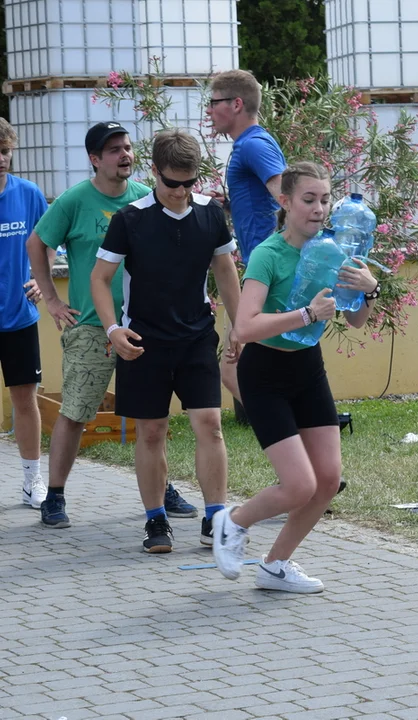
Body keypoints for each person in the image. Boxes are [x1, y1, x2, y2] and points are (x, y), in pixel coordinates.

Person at [212, 162, 378, 593]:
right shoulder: (269, 255)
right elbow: (244, 327)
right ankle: (230, 521)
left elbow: (357, 320)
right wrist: (305, 314)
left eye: (325, 199)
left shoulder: (336, 249)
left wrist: (369, 288)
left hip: (307, 369)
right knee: (299, 484)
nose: (319, 208)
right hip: (264, 373)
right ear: (285, 203)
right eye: (308, 200)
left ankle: (275, 566)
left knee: (326, 481)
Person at [26, 122, 199, 528]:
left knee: (151, 417)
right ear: (94, 159)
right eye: (113, 150)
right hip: (91, 327)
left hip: (143, 325)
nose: (124, 155)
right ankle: (55, 495)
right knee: (75, 412)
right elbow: (37, 243)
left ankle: (163, 490)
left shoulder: (145, 197)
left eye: (127, 147)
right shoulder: (74, 201)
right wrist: (51, 300)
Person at [90, 129, 241, 553]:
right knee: (152, 432)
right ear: (153, 171)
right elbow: (100, 281)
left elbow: (226, 272)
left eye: (188, 183)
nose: (180, 192)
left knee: (210, 426)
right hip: (143, 340)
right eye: (171, 183)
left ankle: (216, 519)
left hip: (196, 336)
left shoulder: (211, 213)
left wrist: (240, 323)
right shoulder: (130, 220)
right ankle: (156, 521)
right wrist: (112, 330)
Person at [206, 69, 287, 411]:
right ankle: (290, 423)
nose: (209, 111)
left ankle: (289, 424)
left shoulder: (253, 144)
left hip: (267, 269)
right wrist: (228, 205)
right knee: (237, 364)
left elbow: (287, 197)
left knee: (234, 365)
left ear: (236, 104)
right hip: (264, 266)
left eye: (214, 103)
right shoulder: (250, 144)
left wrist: (281, 260)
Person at [0, 118, 49, 509]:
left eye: (4, 151)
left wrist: (39, 278)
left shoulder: (29, 193)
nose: (1, 159)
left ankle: (34, 481)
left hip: (18, 318)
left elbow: (47, 241)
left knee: (24, 398)